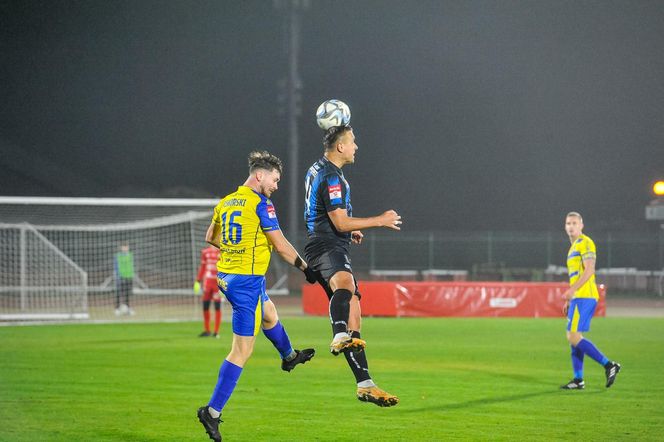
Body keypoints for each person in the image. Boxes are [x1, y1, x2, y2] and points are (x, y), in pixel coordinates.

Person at [197, 150, 318, 442]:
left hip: (228, 276)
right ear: (260, 175)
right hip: (246, 283)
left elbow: (211, 237)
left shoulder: (226, 202)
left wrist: (237, 249)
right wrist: (306, 268)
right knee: (242, 351)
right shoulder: (262, 204)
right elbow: (281, 246)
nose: (276, 185)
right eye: (275, 180)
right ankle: (211, 413)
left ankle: (289, 356)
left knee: (269, 313)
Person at [303, 124, 402, 407]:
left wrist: (348, 230)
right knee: (344, 286)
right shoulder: (332, 176)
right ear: (340, 147)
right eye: (353, 141)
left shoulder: (318, 168)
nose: (356, 146)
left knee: (355, 308)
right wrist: (378, 220)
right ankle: (338, 335)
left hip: (328, 241)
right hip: (325, 245)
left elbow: (325, 212)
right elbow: (339, 221)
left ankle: (365, 384)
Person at [560, 212, 621, 390]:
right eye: (568, 223)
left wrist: (572, 290)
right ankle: (579, 380)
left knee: (572, 336)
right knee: (575, 337)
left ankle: (609, 365)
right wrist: (571, 299)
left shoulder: (586, 242)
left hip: (585, 296)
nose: (570, 226)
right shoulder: (572, 248)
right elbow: (577, 275)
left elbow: (589, 271)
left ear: (581, 225)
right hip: (578, 298)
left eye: (574, 223)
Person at [195, 245, 222, 338]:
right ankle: (207, 330)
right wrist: (198, 280)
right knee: (205, 306)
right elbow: (203, 267)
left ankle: (216, 332)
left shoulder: (222, 252)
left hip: (218, 284)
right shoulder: (205, 252)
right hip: (207, 283)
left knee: (217, 307)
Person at [114, 243, 135, 316]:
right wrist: (117, 276)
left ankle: (127, 308)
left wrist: (132, 274)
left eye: (126, 247)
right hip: (120, 277)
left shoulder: (130, 255)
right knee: (118, 293)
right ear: (121, 247)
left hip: (129, 276)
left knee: (127, 294)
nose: (125, 248)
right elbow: (116, 266)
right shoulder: (118, 256)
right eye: (124, 247)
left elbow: (131, 265)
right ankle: (117, 309)